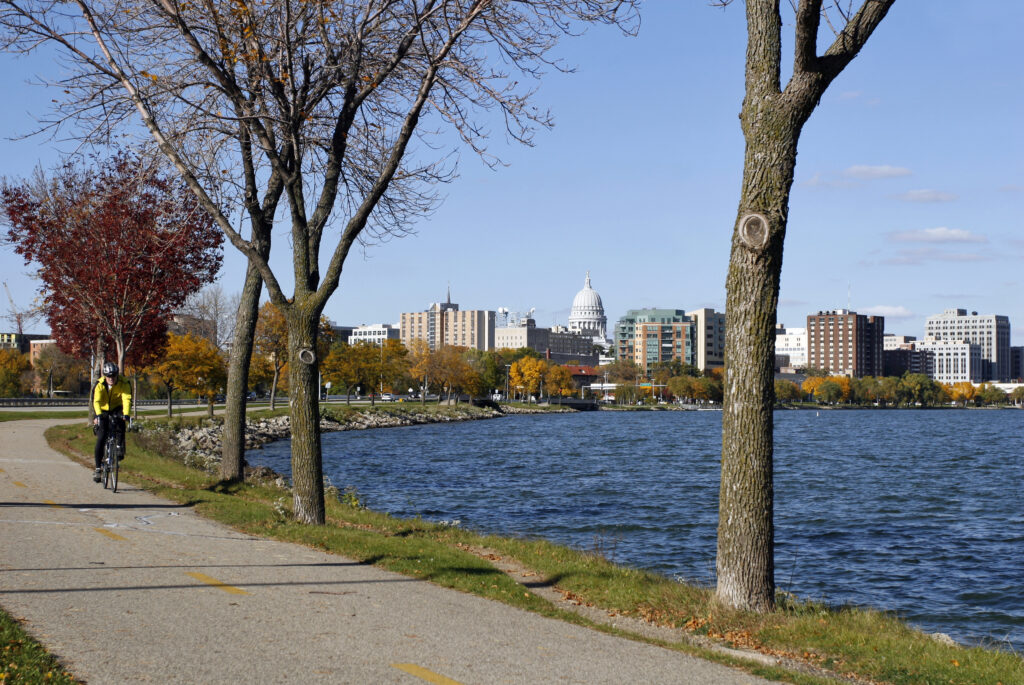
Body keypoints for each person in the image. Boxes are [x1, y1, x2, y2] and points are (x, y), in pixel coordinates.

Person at [92, 361, 132, 483]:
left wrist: (126, 414)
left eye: (113, 376)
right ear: (105, 376)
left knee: (121, 423)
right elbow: (96, 401)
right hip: (102, 409)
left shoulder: (124, 383)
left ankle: (119, 447)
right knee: (101, 437)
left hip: (117, 408)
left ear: (117, 375)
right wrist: (98, 415)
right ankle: (98, 468)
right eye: (108, 376)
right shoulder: (99, 384)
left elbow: (126, 399)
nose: (111, 378)